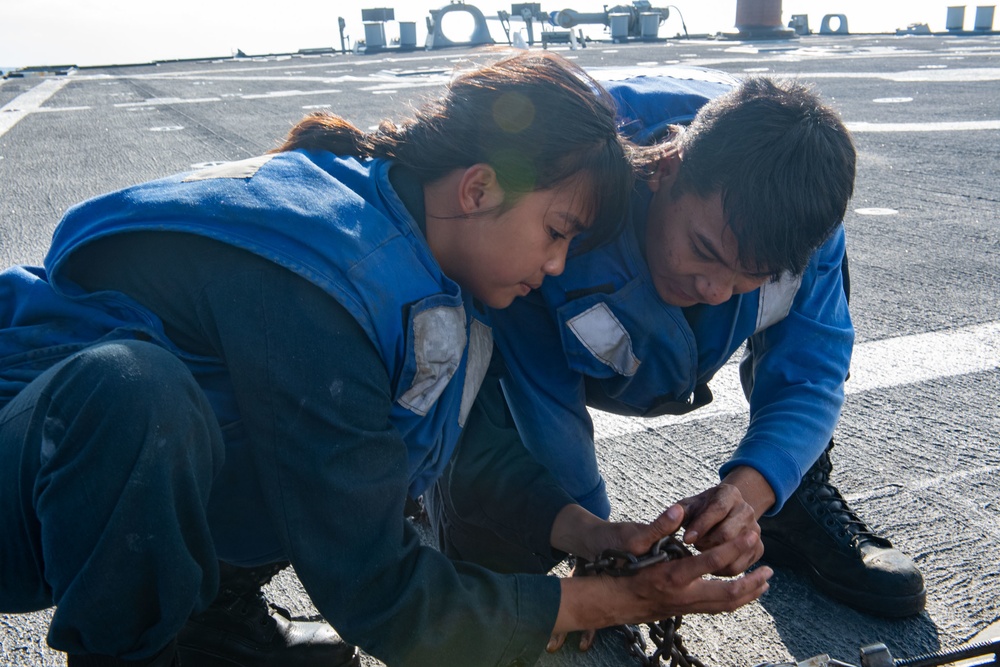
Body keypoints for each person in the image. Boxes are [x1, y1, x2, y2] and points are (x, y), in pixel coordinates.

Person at [0, 52, 773, 667]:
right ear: (478, 187)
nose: (562, 265)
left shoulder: (432, 261)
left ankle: (208, 619)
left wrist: (585, 531)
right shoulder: (326, 281)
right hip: (24, 483)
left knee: (297, 430)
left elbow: (453, 442)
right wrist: (621, 602)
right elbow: (377, 585)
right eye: (558, 229)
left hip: (80, 473)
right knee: (143, 394)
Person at [429, 66, 926, 631]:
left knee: (783, 462)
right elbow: (542, 393)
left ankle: (795, 499)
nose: (715, 290)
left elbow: (810, 375)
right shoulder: (574, 179)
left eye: (751, 275)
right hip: (519, 335)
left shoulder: (805, 226)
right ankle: (455, 479)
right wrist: (600, 541)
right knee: (502, 552)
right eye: (704, 249)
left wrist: (751, 491)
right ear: (666, 166)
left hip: (660, 335)